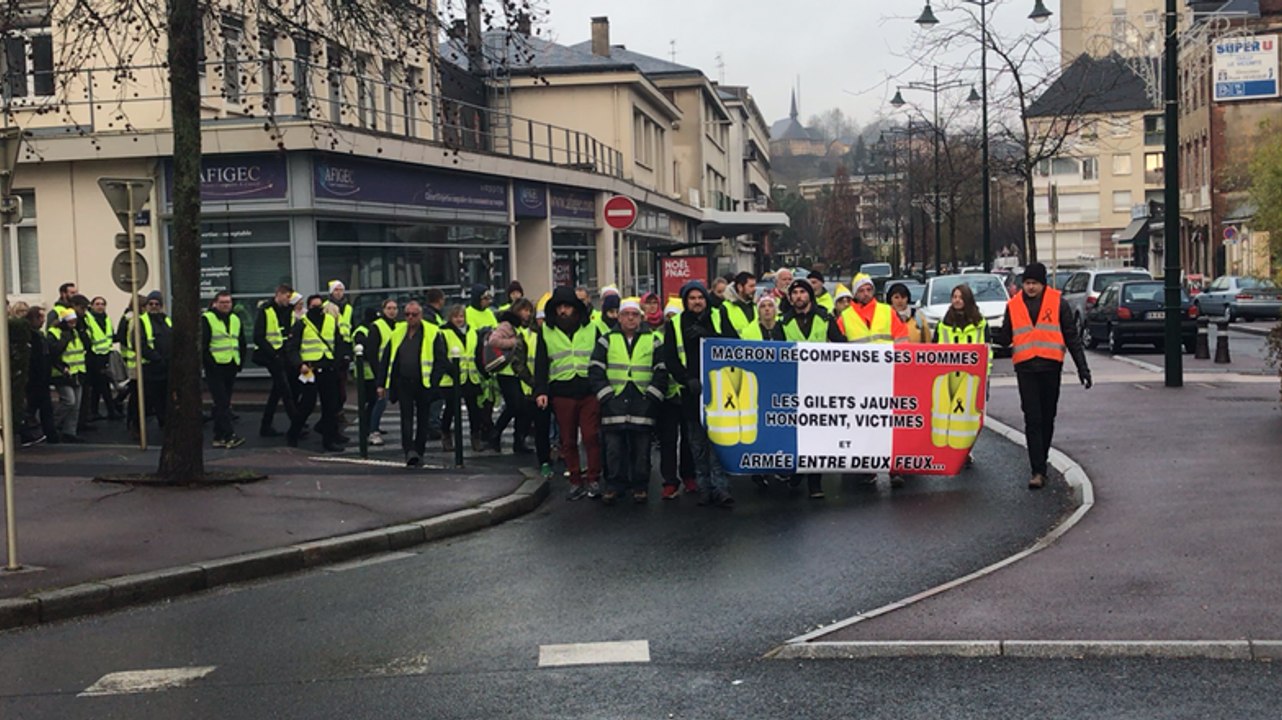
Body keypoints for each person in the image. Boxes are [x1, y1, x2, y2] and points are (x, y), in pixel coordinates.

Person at [994, 262, 1091, 490]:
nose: (1030, 287)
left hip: (1050, 367)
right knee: (1032, 418)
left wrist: (1082, 368)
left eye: (1034, 283)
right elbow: (1006, 336)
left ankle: (1042, 456)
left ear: (1042, 284)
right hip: (1026, 368)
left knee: (1047, 417)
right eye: (1027, 283)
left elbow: (1071, 337)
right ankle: (1037, 470)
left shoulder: (1058, 303)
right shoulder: (1014, 305)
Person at [589, 297, 667, 505]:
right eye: (626, 315)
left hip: (642, 402)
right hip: (614, 402)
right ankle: (614, 485)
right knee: (613, 449)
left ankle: (640, 486)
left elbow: (661, 371)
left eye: (635, 315)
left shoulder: (653, 340)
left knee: (641, 449)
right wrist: (606, 397)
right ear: (620, 317)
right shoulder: (606, 339)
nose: (630, 319)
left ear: (641, 318)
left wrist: (651, 397)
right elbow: (596, 370)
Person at [666, 281, 734, 508]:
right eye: (692, 298)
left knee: (718, 442)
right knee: (697, 444)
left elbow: (735, 345)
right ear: (686, 301)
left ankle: (721, 488)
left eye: (701, 297)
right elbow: (670, 359)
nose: (697, 302)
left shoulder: (718, 315)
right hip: (691, 392)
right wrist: (686, 379)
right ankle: (704, 488)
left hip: (719, 388)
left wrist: (709, 335)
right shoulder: (675, 324)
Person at [534, 286, 603, 500]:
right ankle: (575, 481)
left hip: (588, 390)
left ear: (575, 308)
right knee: (568, 440)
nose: (563, 311)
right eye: (559, 307)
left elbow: (601, 358)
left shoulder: (591, 328)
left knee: (591, 436)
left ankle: (593, 478)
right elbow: (541, 363)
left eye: (567, 307)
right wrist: (541, 391)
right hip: (562, 391)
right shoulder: (546, 331)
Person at [380, 301, 451, 467]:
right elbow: (387, 359)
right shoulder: (398, 332)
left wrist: (434, 383)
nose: (410, 318)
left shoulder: (432, 332)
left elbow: (440, 360)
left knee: (423, 419)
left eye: (414, 314)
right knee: (406, 417)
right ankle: (409, 451)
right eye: (407, 315)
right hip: (403, 382)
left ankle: (419, 450)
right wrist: (381, 383)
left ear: (420, 315)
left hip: (423, 383)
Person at [933, 283, 992, 469]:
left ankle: (967, 449)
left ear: (967, 300)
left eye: (960, 297)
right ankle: (953, 449)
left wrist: (986, 373)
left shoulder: (980, 324)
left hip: (974, 378)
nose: (957, 300)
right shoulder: (944, 323)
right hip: (949, 377)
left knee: (971, 416)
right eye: (954, 297)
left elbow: (988, 350)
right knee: (950, 414)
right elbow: (935, 349)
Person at [285, 294, 349, 451]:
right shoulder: (302, 324)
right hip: (310, 370)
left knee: (330, 406)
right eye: (314, 307)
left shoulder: (330, 321)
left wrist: (337, 361)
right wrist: (299, 364)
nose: (317, 309)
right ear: (309, 307)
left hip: (328, 368)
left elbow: (339, 343)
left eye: (320, 306)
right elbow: (292, 348)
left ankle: (328, 440)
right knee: (307, 405)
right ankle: (293, 434)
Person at [488, 298, 535, 453]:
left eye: (529, 310)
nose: (527, 313)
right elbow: (493, 341)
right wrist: (513, 343)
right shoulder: (507, 325)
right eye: (524, 310)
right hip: (507, 372)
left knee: (523, 407)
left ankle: (518, 440)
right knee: (515, 406)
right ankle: (496, 433)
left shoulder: (525, 327)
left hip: (518, 373)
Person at [122, 291, 173, 436]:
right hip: (149, 367)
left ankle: (165, 424)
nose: (154, 306)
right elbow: (139, 344)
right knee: (144, 400)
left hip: (165, 367)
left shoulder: (167, 320)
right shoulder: (141, 321)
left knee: (163, 399)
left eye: (157, 304)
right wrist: (157, 358)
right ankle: (136, 426)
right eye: (151, 304)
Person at [202, 291, 247, 448]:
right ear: (215, 303)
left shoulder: (235, 319)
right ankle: (229, 435)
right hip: (215, 367)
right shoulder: (207, 319)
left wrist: (240, 362)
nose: (225, 305)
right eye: (222, 302)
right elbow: (203, 346)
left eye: (228, 302)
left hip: (231, 364)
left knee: (224, 401)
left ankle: (219, 435)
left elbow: (241, 341)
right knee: (222, 403)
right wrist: (210, 364)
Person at [354, 299, 399, 447]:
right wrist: (379, 374)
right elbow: (372, 352)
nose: (392, 311)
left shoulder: (399, 326)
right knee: (380, 402)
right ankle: (373, 431)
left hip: (396, 371)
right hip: (383, 370)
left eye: (394, 308)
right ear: (383, 310)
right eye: (389, 308)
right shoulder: (377, 327)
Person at [254, 284, 298, 438]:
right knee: (284, 390)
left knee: (278, 391)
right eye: (287, 296)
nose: (289, 300)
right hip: (272, 356)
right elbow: (258, 336)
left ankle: (266, 425)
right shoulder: (266, 310)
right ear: (279, 294)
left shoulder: (288, 311)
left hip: (282, 355)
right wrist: (274, 354)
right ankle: (296, 425)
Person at [48, 306, 88, 443]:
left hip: (77, 372)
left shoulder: (75, 332)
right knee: (69, 401)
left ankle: (69, 432)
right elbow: (53, 352)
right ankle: (52, 424)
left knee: (76, 405)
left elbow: (83, 347)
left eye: (74, 321)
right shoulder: (54, 333)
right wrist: (65, 338)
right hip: (62, 373)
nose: (73, 324)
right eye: (70, 321)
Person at [81, 296, 122, 421]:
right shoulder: (88, 319)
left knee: (98, 385)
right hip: (93, 356)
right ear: (92, 306)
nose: (100, 306)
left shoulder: (107, 319)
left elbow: (109, 336)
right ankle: (110, 410)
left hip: (105, 355)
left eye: (103, 304)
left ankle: (94, 411)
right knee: (103, 384)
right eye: (97, 304)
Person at [23, 306, 55, 446]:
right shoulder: (32, 336)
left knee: (44, 409)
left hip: (43, 379)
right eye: (41, 318)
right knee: (31, 409)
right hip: (35, 380)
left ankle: (50, 435)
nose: (43, 321)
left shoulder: (39, 335)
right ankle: (27, 435)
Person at [781, 278, 846, 344]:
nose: (798, 296)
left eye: (802, 292)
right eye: (794, 292)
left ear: (810, 295)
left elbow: (840, 344)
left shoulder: (825, 318)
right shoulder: (783, 321)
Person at [718, 271, 757, 338]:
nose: (754, 289)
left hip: (756, 347)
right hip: (735, 346)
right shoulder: (725, 307)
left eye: (754, 286)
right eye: (751, 286)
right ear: (740, 287)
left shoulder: (755, 306)